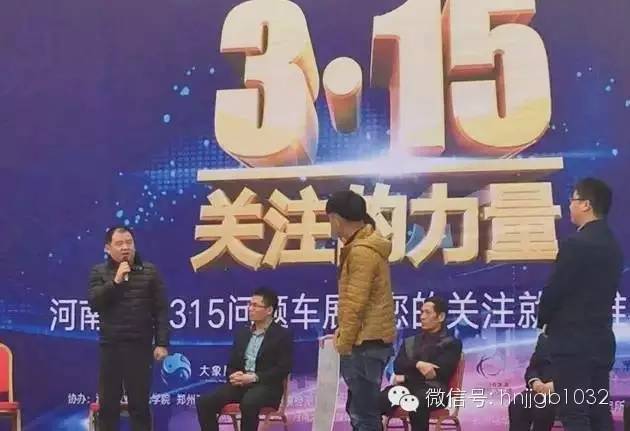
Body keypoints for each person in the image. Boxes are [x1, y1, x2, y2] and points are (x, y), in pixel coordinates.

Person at [538, 178, 623, 431]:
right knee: (599, 412)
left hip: (572, 344)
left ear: (586, 204)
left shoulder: (575, 244)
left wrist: (543, 320)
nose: (570, 206)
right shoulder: (614, 246)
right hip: (601, 341)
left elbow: (555, 289)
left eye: (573, 200)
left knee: (573, 412)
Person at [325, 190, 396, 431]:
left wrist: (343, 343)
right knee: (361, 410)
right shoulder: (365, 246)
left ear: (336, 219)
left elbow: (355, 304)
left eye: (329, 219)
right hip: (369, 342)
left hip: (364, 344)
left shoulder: (361, 252)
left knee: (363, 415)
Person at [88, 226, 170, 431]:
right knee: (108, 406)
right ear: (107, 248)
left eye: (129, 242)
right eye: (119, 243)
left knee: (139, 405)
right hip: (111, 347)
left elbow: (161, 310)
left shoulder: (150, 272)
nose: (125, 247)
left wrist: (161, 343)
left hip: (140, 347)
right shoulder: (99, 272)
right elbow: (94, 303)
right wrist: (115, 282)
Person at [196, 287, 293, 431]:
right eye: (249, 304)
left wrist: (254, 377)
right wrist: (233, 375)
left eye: (255, 305)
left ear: (269, 310)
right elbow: (232, 364)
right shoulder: (243, 333)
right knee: (204, 402)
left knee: (249, 403)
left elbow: (283, 369)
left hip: (267, 388)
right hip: (241, 386)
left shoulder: (282, 335)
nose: (250, 309)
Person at [381, 297, 462, 431]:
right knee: (378, 401)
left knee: (417, 401)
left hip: (436, 392)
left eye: (427, 312)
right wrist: (418, 364)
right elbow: (398, 366)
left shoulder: (452, 343)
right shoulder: (410, 341)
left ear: (441, 317)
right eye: (421, 312)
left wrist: (406, 376)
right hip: (407, 389)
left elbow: (439, 373)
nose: (422, 317)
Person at [508, 334, 557, 431]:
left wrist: (557, 385)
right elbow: (532, 368)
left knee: (543, 407)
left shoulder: (583, 336)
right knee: (518, 404)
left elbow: (583, 371)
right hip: (541, 389)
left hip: (569, 390)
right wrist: (535, 382)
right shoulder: (544, 338)